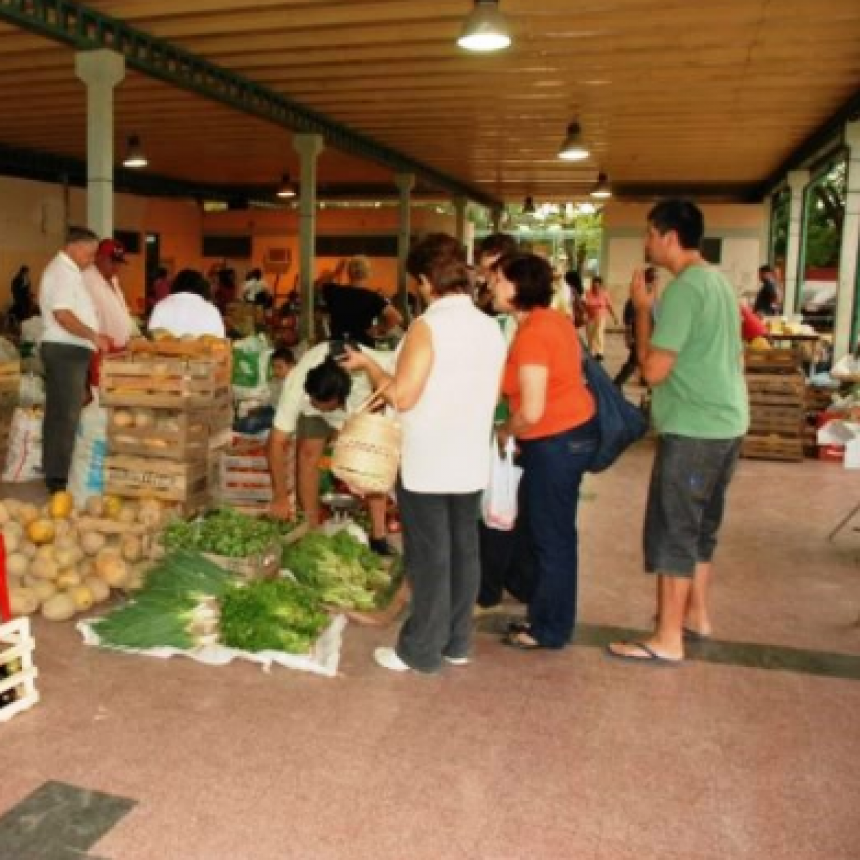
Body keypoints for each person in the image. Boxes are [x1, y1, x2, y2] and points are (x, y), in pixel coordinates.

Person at [340, 232, 506, 673]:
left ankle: (419, 650)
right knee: (463, 551)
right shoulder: (490, 326)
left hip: (429, 458)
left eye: (416, 284)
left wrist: (373, 369)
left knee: (429, 555)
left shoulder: (428, 326)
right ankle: (457, 642)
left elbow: (405, 395)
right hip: (470, 454)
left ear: (427, 282)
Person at [608, 200, 748, 665]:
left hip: (695, 430)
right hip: (726, 425)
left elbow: (652, 370)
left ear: (668, 236)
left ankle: (668, 638)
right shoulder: (718, 282)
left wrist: (644, 311)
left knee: (674, 531)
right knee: (701, 530)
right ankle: (695, 617)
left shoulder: (686, 290)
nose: (646, 243)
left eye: (649, 234)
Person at [490, 253, 598, 650]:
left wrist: (506, 430)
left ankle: (550, 628)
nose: (492, 286)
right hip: (569, 436)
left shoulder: (535, 332)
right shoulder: (550, 321)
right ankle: (546, 613)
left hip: (555, 441)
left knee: (551, 537)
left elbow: (531, 410)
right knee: (548, 532)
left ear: (517, 287)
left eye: (499, 280)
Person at [267, 341, 397, 556]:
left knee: (370, 459)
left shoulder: (372, 371)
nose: (315, 404)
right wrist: (280, 496)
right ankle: (310, 529)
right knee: (308, 453)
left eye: (322, 404)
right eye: (313, 400)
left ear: (339, 400)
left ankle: (379, 535)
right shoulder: (298, 387)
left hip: (361, 406)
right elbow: (275, 442)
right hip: (322, 395)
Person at [39, 226, 111, 492]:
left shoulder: (69, 272)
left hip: (69, 350)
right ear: (75, 247)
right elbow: (62, 314)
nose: (91, 260)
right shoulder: (62, 272)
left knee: (60, 413)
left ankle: (56, 470)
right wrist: (92, 335)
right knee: (66, 415)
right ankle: (57, 478)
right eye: (90, 254)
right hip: (65, 350)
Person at [316, 256, 402, 346]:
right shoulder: (372, 297)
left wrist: (336, 272)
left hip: (338, 345)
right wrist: (378, 329)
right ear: (367, 274)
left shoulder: (334, 291)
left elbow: (319, 283)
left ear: (349, 273)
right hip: (363, 345)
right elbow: (396, 317)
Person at [82, 239, 136, 349]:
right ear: (98, 257)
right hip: (99, 348)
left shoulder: (114, 280)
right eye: (112, 261)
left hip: (120, 348)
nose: (116, 266)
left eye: (119, 262)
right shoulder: (87, 280)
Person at [614, 267, 659, 387]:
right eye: (653, 278)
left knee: (646, 359)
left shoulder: (654, 296)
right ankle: (617, 383)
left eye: (656, 278)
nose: (655, 281)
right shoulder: (638, 295)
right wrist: (628, 336)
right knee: (633, 361)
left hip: (652, 335)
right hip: (639, 334)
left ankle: (644, 379)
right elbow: (628, 318)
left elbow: (655, 316)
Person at [148, 268, 226, 337]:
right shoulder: (212, 310)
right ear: (201, 286)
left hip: (165, 353)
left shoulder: (160, 306)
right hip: (203, 353)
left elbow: (151, 339)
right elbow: (221, 342)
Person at [584, 275, 618, 360]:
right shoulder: (588, 293)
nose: (595, 288)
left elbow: (609, 306)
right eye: (594, 286)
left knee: (599, 333)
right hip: (590, 317)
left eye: (597, 286)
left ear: (600, 285)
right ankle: (591, 351)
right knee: (590, 335)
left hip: (600, 316)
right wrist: (584, 313)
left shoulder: (604, 294)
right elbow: (584, 305)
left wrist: (614, 317)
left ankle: (600, 353)